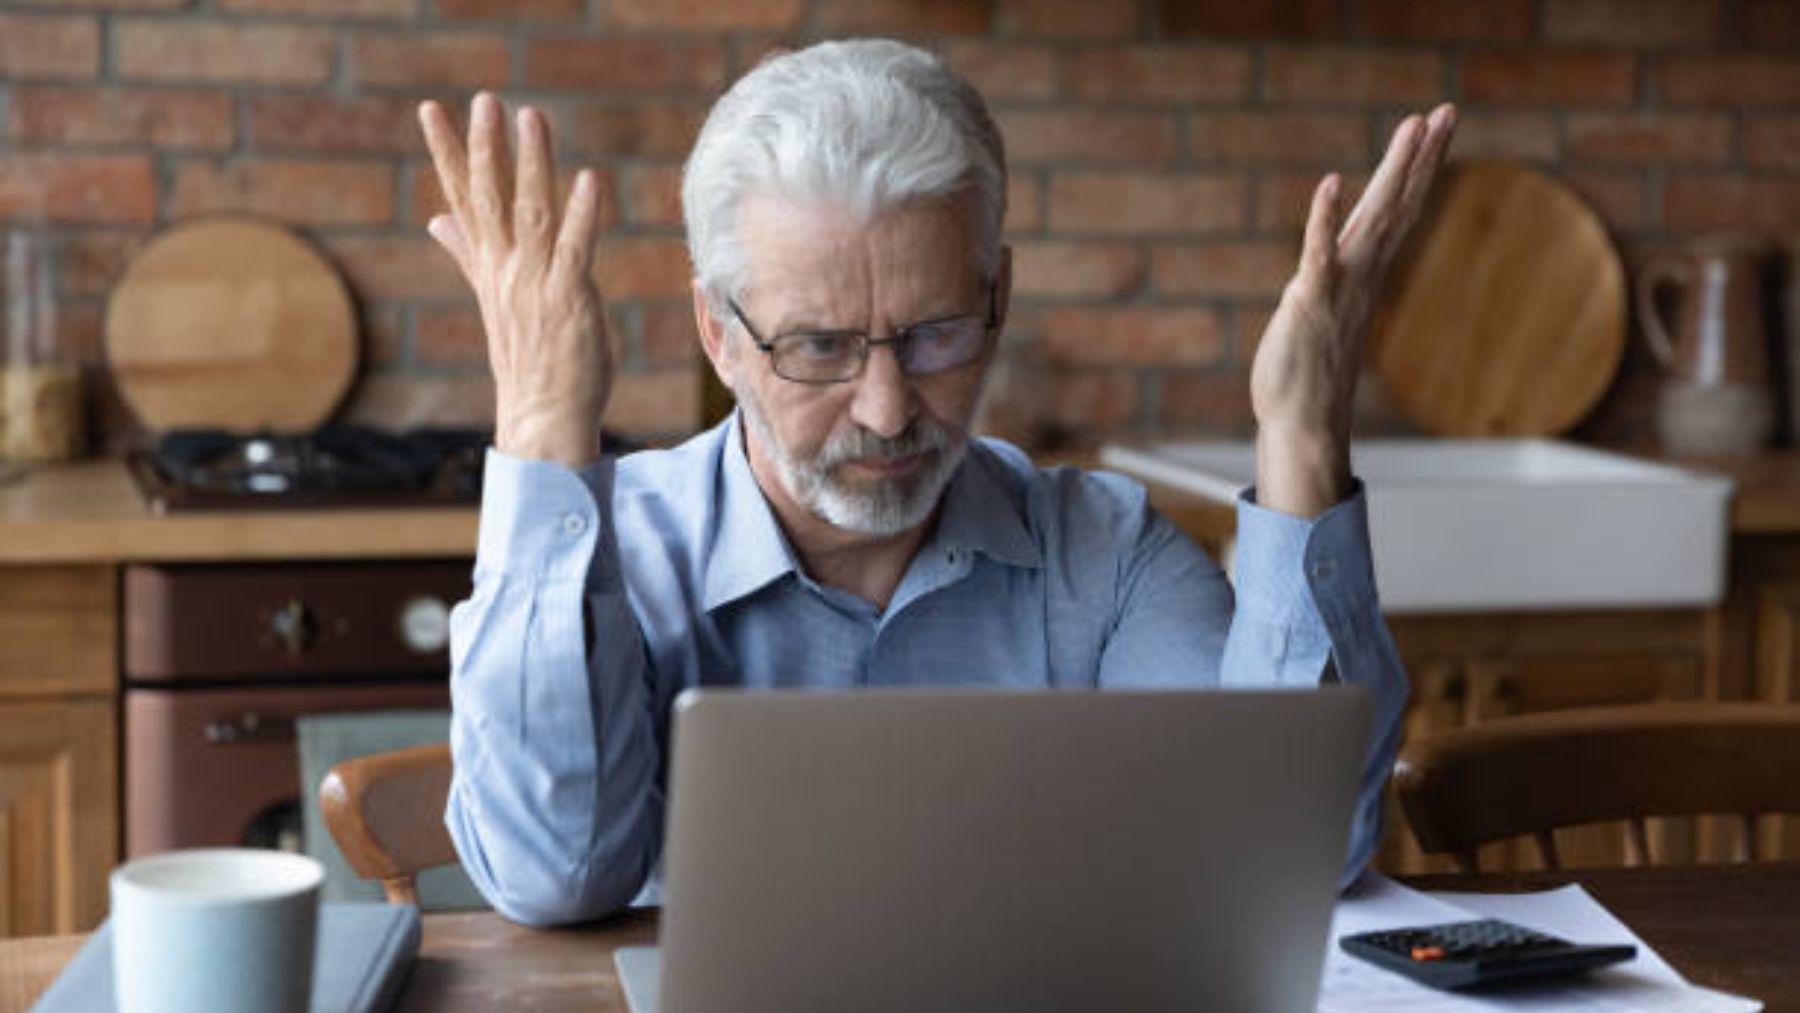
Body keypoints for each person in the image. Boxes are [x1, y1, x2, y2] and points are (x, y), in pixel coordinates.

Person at [419, 38, 1455, 927]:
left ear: (998, 297)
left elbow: (1288, 849)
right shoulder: (617, 558)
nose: (885, 408)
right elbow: (554, 876)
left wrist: (1306, 431)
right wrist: (547, 425)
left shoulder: (1101, 555)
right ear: (718, 333)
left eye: (934, 335)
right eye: (819, 346)